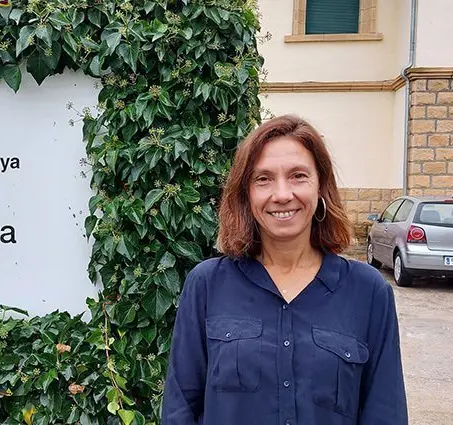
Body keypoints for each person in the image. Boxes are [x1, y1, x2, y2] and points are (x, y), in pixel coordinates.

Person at [161, 115, 408, 424]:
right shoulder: (208, 286)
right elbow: (180, 409)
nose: (281, 194)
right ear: (246, 194)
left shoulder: (368, 292)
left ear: (320, 188)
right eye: (263, 179)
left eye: (298, 176)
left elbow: (386, 412)